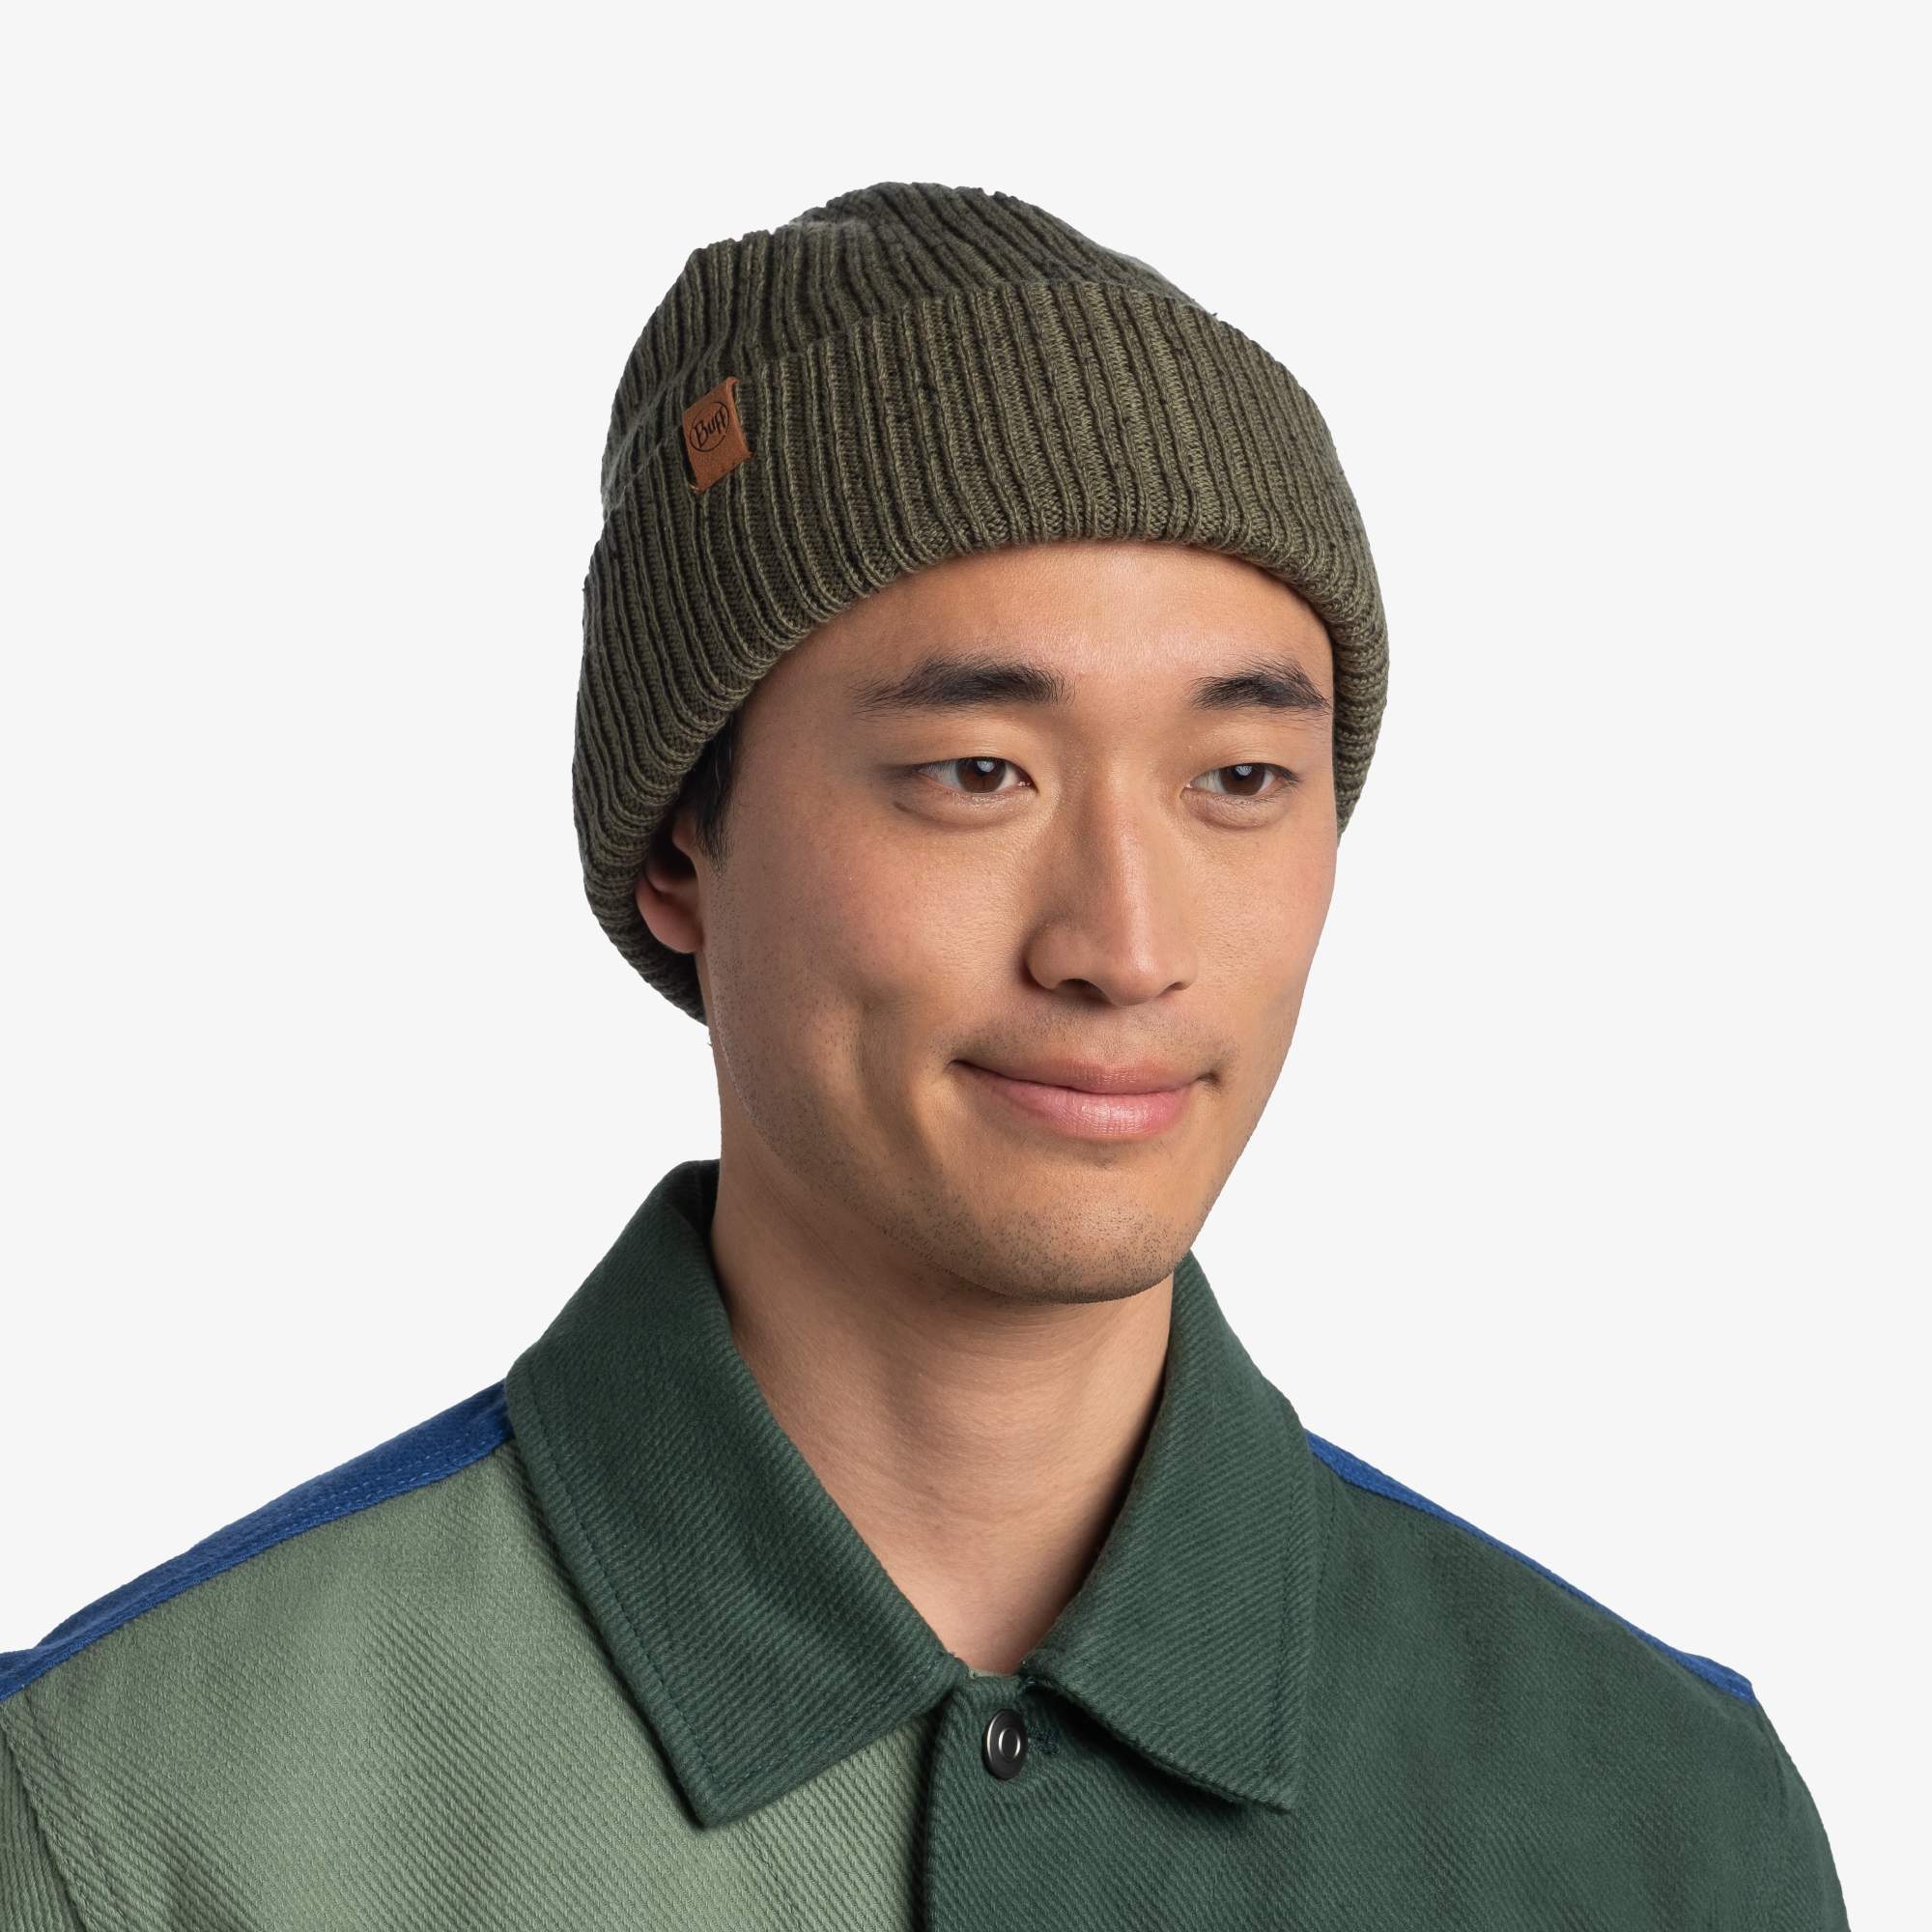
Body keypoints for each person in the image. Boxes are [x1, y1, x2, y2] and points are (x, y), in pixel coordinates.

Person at [0, 181, 1847, 1929]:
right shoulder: (139, 1815)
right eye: (979, 774)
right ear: (682, 851)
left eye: (1238, 778)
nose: (1124, 945)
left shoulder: (1661, 1819)